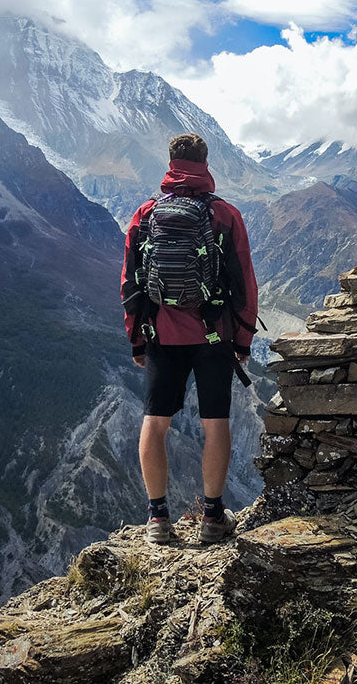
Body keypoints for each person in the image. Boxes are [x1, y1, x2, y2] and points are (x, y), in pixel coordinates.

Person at [120, 133, 259, 544]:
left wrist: (137, 340)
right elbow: (245, 283)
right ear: (206, 163)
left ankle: (158, 519)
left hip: (161, 333)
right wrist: (244, 339)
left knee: (155, 422)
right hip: (214, 335)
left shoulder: (145, 214)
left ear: (170, 163)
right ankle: (213, 517)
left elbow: (130, 283)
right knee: (216, 423)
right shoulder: (225, 215)